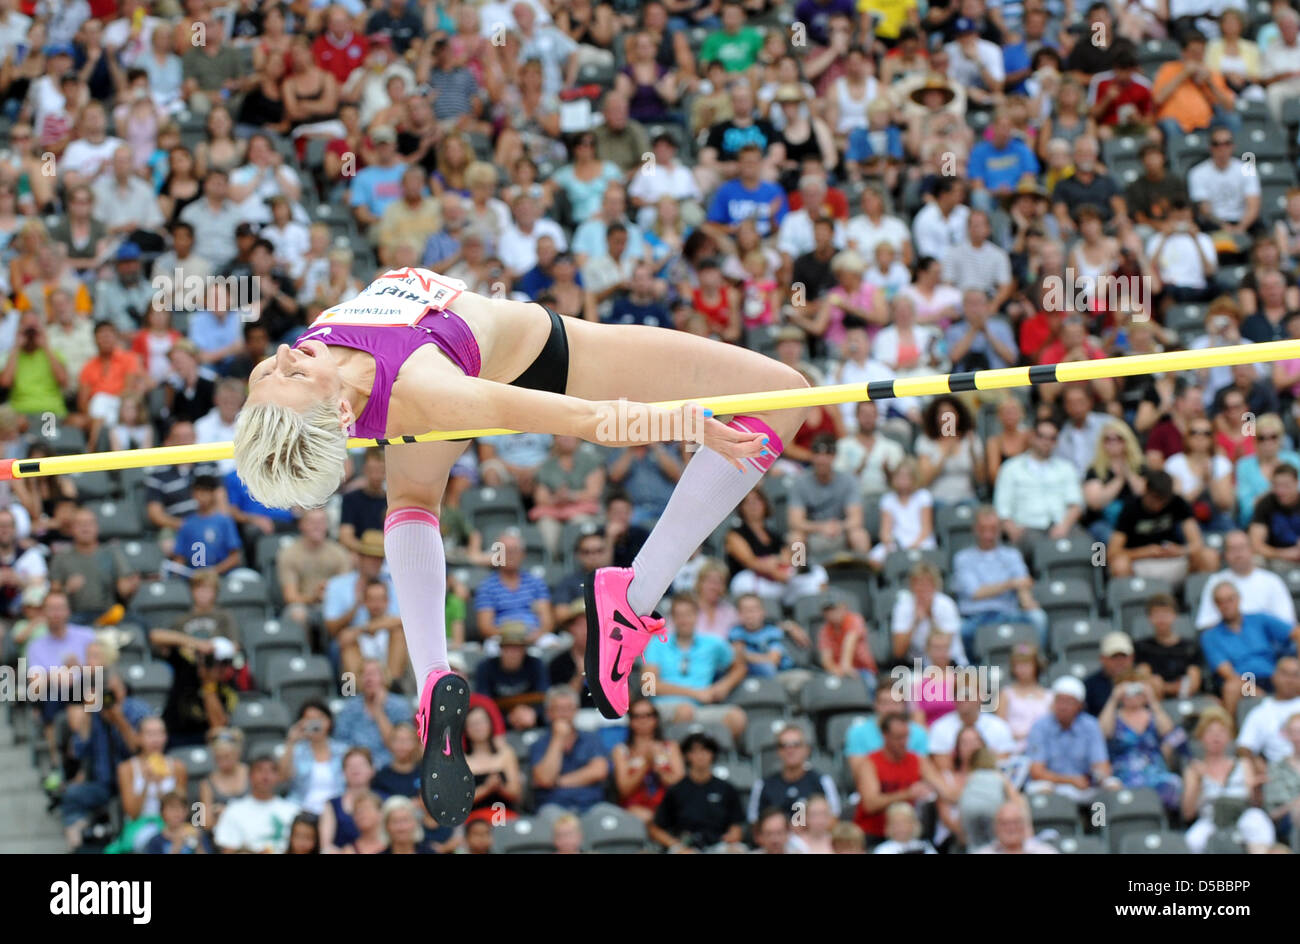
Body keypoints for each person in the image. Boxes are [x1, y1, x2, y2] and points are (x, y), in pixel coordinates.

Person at [951, 505, 1049, 655]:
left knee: (1037, 618)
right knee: (959, 630)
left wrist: (1026, 600)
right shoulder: (963, 558)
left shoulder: (1011, 554)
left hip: (1008, 614)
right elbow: (975, 592)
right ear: (975, 529)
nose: (988, 535)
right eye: (984, 529)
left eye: (993, 529)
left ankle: (1037, 663)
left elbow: (1022, 582)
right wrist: (1010, 584)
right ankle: (969, 671)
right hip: (976, 618)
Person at [1182, 707, 1276, 854]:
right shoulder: (1194, 769)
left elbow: (1255, 803)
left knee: (1257, 822)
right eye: (1210, 732)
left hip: (1242, 815)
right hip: (1210, 820)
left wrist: (1257, 790)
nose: (1216, 737)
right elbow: (1188, 813)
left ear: (1230, 737)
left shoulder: (1243, 764)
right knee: (1192, 841)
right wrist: (1199, 782)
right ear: (1200, 737)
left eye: (1221, 732)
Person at [1202, 583, 1300, 718]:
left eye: (1230, 599)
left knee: (1291, 674)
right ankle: (1231, 733)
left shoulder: (1259, 619)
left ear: (1239, 599)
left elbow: (1297, 633)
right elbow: (1228, 673)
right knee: (1231, 687)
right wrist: (1254, 690)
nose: (1226, 605)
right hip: (1244, 682)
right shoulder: (1210, 636)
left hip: (1273, 676)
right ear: (1216, 605)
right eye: (1220, 601)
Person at [1025, 675, 1120, 802]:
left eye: (1068, 702)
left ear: (1080, 705)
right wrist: (1071, 780)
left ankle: (1102, 821)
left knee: (1113, 784)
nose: (1063, 707)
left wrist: (1096, 777)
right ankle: (1055, 821)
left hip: (1084, 783)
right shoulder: (1040, 726)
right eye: (1059, 701)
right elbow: (1036, 771)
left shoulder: (1090, 725)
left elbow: (1102, 765)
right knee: (1041, 789)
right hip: (1053, 784)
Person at [1195, 530, 1297, 630]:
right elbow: (1205, 623)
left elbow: (1287, 622)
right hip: (1229, 641)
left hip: (1268, 642)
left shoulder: (1272, 580)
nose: (1238, 553)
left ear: (1251, 549)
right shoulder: (1216, 581)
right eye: (1232, 549)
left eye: (1242, 547)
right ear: (1225, 554)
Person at [212, 753, 302, 854]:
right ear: (250, 776)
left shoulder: (293, 811)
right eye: (260, 770)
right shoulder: (233, 810)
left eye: (271, 771)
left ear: (278, 776)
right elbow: (228, 850)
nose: (265, 776)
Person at [971, 799, 1059, 854]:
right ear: (995, 827)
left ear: (1025, 825)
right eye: (1004, 823)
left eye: (1016, 822)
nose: (1011, 828)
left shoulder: (1046, 851)